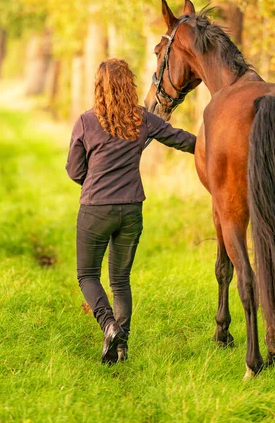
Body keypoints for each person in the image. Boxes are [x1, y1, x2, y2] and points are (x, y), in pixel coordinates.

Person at [66, 58, 196, 365]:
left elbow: (74, 170)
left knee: (87, 275)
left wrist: (94, 183)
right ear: (130, 86)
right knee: (120, 280)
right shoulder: (143, 120)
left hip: (95, 209)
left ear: (98, 87)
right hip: (131, 210)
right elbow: (182, 140)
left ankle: (109, 327)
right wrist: (216, 144)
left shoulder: (86, 121)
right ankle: (121, 348)